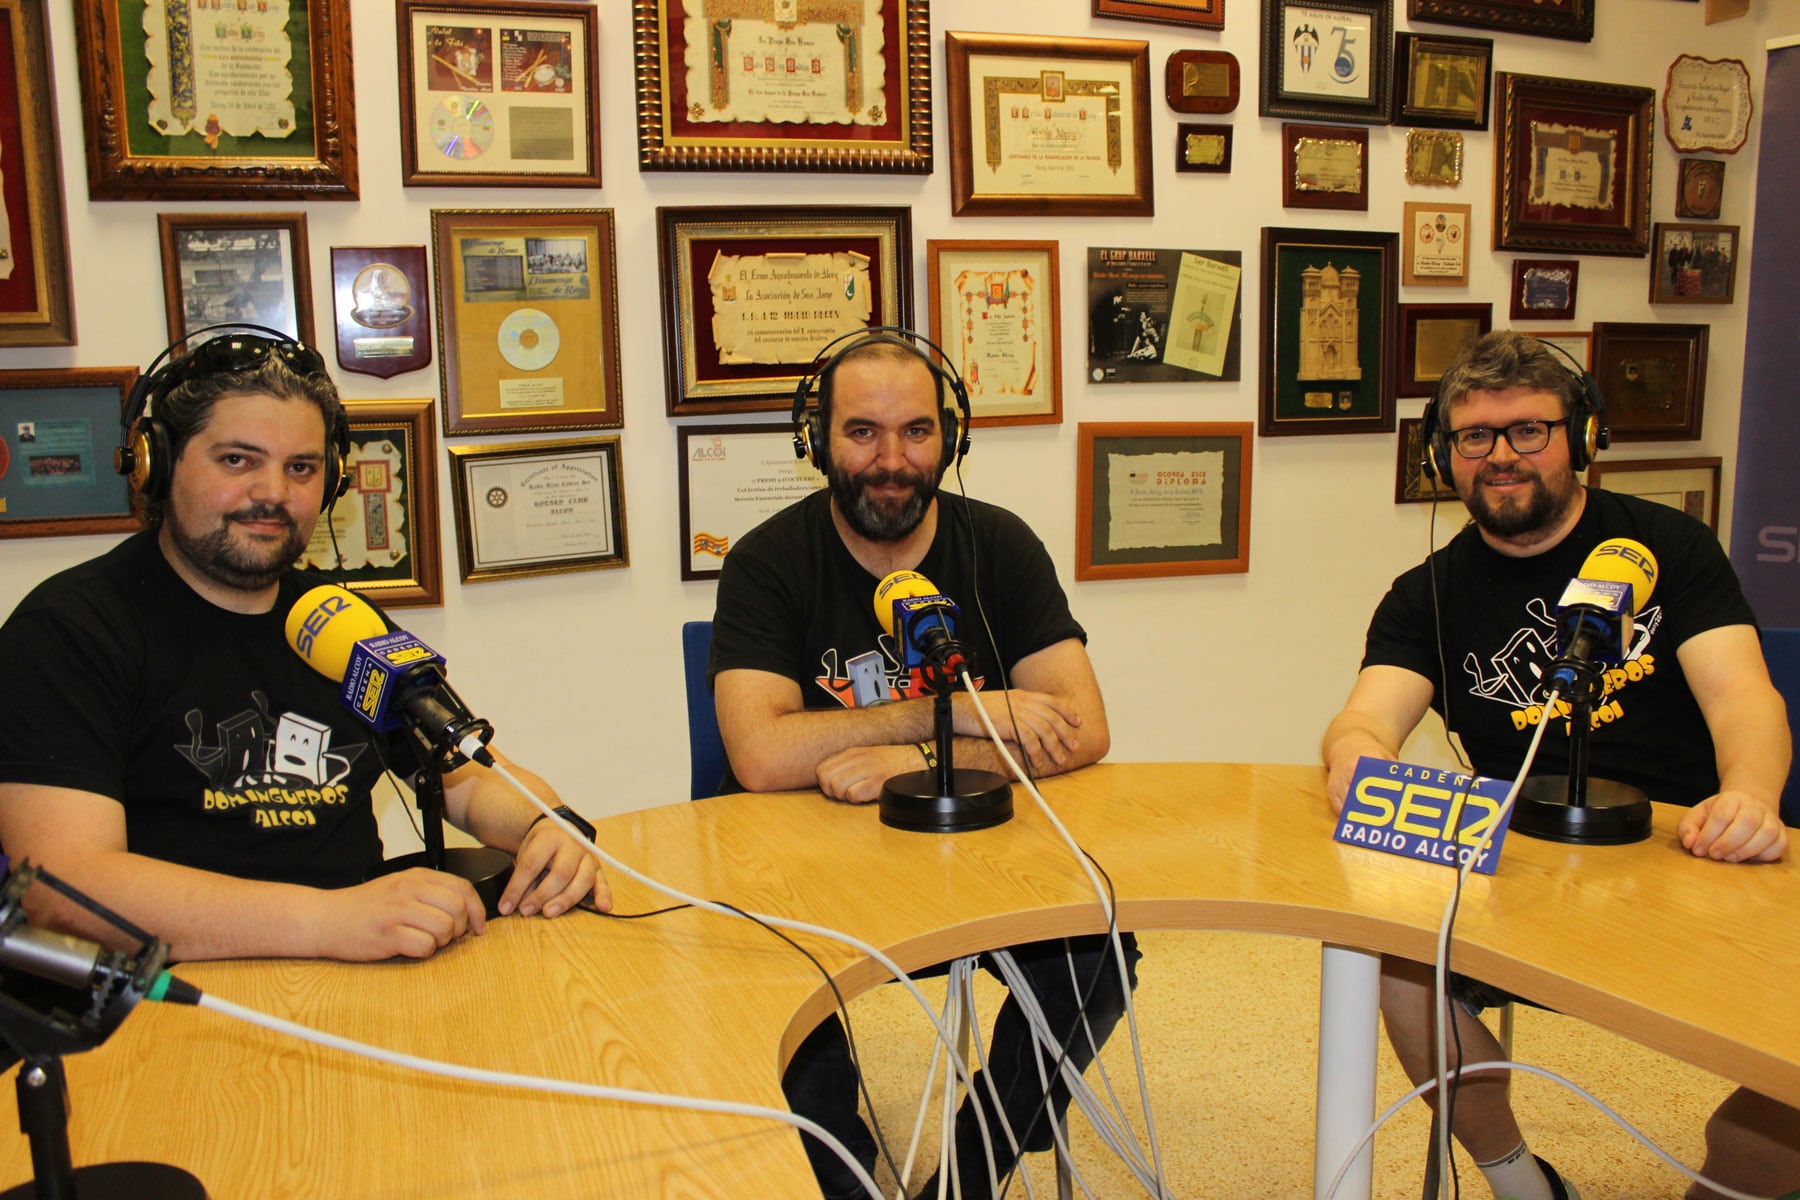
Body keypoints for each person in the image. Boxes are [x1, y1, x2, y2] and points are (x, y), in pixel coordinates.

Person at [1321, 330, 1797, 1200]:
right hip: (1525, 867)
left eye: (1528, 431)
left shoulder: (1668, 550)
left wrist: (1752, 797)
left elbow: (1742, 697)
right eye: (1474, 437)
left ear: (1582, 438)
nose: (1501, 457)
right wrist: (1354, 755)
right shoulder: (1425, 591)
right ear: (1444, 453)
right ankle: (1520, 1183)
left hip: (1686, 853)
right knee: (1392, 959)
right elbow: (1366, 717)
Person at [0, 333, 608, 964]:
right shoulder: (68, 632)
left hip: (361, 975)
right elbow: (63, 886)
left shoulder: (336, 620)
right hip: (174, 1000)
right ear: (157, 463)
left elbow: (465, 780)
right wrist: (324, 920)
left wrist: (544, 822)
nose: (273, 493)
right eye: (237, 460)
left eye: (301, 467)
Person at [708, 333, 1138, 1200]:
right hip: (811, 868)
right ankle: (840, 1160)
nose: (891, 461)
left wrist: (909, 754)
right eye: (862, 432)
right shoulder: (766, 561)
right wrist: (974, 716)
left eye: (916, 432)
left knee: (1102, 950)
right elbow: (760, 754)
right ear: (816, 440)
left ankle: (971, 1172)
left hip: (978, 856)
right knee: (766, 978)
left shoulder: (1000, 547)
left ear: (952, 437)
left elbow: (1082, 728)